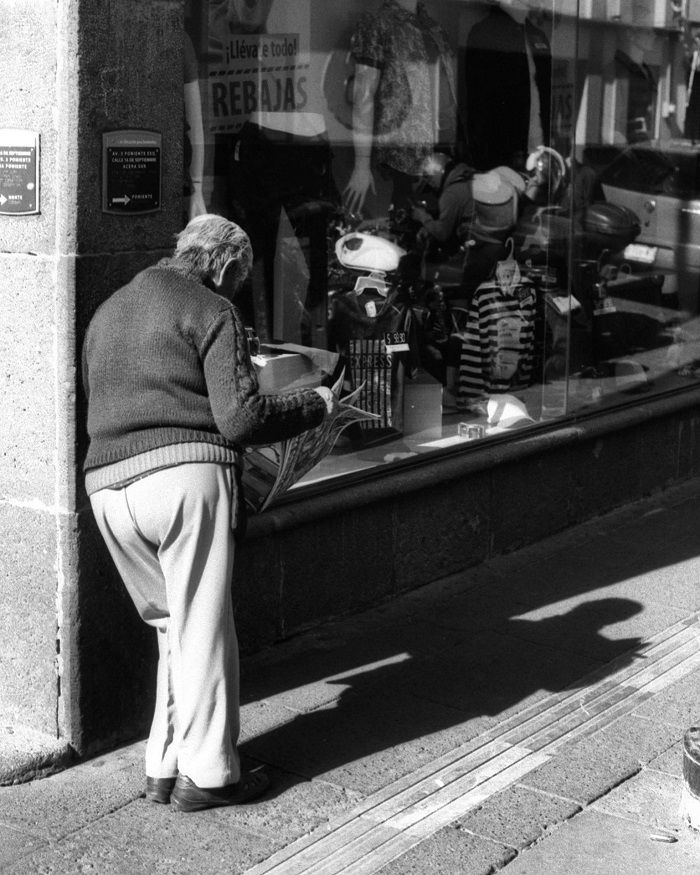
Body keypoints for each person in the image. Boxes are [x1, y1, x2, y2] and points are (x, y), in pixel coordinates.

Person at [81, 214, 335, 813]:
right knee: (203, 627)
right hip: (184, 481)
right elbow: (241, 419)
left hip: (108, 490)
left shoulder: (110, 309)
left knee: (173, 629)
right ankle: (214, 775)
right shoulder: (210, 309)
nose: (233, 290)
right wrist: (313, 405)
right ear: (223, 266)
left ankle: (163, 767)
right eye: (236, 279)